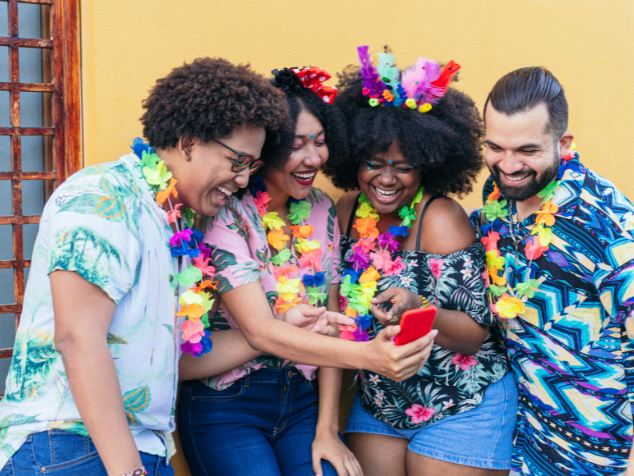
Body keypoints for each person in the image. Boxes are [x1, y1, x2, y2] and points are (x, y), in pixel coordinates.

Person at [0, 57, 297, 476]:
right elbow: (77, 338)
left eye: (252, 166)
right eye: (238, 161)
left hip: (135, 450)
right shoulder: (103, 196)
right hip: (68, 444)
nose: (245, 180)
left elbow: (173, 360)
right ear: (190, 141)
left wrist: (279, 331)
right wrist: (128, 470)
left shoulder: (171, 220)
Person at [177, 65, 436, 476]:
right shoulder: (225, 210)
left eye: (319, 142)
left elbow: (331, 319)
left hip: (302, 400)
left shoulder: (320, 207)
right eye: (296, 145)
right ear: (268, 149)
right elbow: (261, 330)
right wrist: (369, 356)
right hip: (228, 403)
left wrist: (327, 429)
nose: (313, 158)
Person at [325, 46, 517, 476]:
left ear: (426, 166)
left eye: (403, 167)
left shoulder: (442, 219)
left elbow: (472, 336)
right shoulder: (346, 212)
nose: (386, 178)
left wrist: (419, 309)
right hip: (382, 403)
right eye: (373, 163)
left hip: (463, 398)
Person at [471, 66, 634, 476]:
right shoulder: (496, 207)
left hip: (600, 456)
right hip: (521, 443)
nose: (507, 166)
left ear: (564, 143)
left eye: (527, 151)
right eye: (495, 148)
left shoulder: (607, 222)